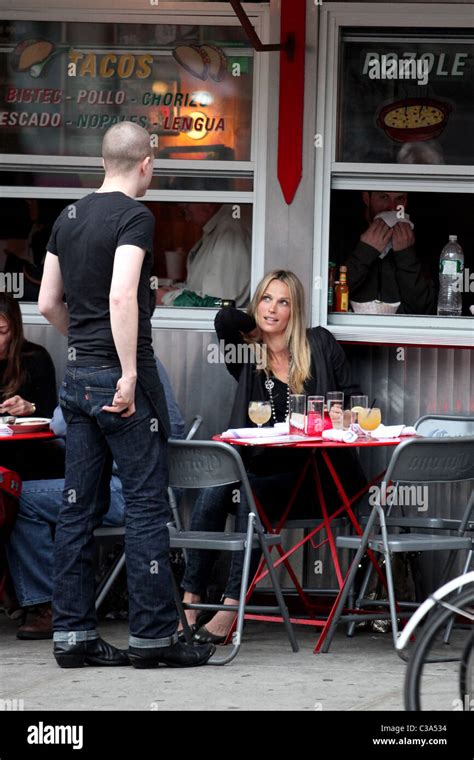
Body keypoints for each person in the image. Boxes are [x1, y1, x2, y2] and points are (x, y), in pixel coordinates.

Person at [38, 121, 214, 668]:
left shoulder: (67, 217)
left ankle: (72, 635)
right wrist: (130, 374)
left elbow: (47, 304)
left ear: (102, 160)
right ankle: (154, 638)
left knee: (76, 508)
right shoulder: (136, 216)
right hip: (121, 379)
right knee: (143, 507)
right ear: (146, 164)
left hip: (76, 380)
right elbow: (122, 296)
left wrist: (85, 346)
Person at [180, 269, 367, 644]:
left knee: (252, 494)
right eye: (267, 299)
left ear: (296, 309)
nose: (273, 308)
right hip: (263, 472)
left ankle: (231, 605)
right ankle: (191, 598)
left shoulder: (320, 344)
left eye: (284, 302)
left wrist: (344, 415)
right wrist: (258, 323)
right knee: (216, 485)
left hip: (320, 477)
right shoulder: (249, 355)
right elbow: (224, 319)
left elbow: (355, 401)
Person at [7, 356, 185, 640]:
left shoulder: (93, 365)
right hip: (149, 487)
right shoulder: (145, 361)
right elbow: (175, 427)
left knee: (23, 498)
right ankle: (145, 634)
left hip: (122, 489)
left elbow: (60, 426)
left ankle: (52, 608)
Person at [344, 191, 436, 315]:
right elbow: (331, 297)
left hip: (402, 331)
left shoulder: (418, 241)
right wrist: (365, 252)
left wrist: (406, 255)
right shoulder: (343, 236)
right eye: (384, 197)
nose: (392, 207)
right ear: (366, 198)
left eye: (400, 198)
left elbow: (423, 308)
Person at [0, 293, 61, 480]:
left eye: (2, 331)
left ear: (15, 331)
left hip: (25, 451)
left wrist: (30, 408)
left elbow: (54, 418)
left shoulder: (35, 358)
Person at [156, 202, 251, 307]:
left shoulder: (229, 233)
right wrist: (178, 290)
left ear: (208, 203)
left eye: (187, 209)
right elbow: (201, 287)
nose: (187, 218)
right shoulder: (217, 230)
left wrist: (168, 298)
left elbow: (220, 302)